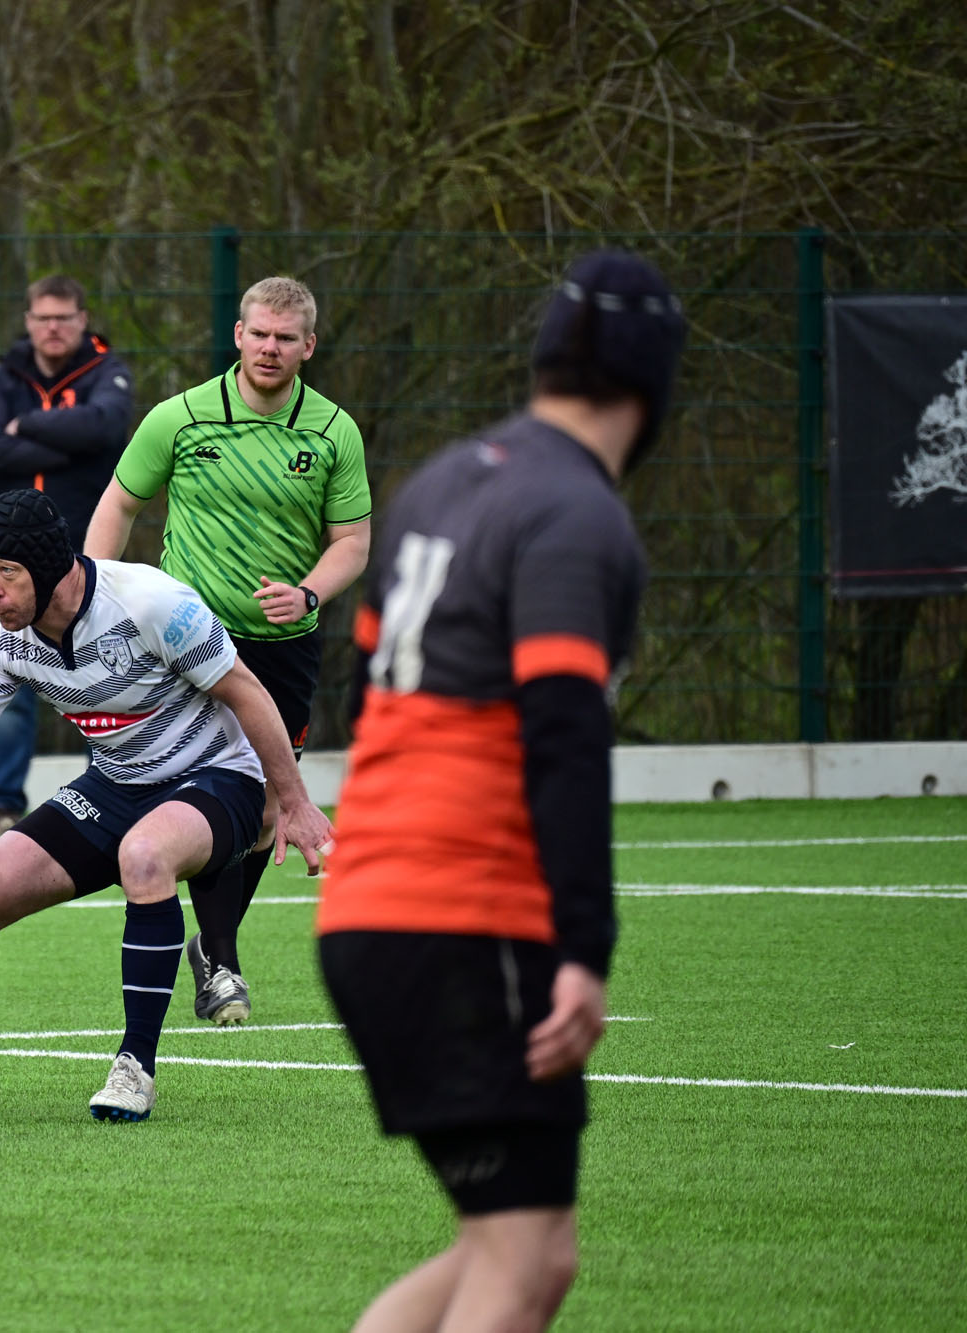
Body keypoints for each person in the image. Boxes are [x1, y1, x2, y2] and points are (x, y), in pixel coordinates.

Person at [319, 250, 685, 1331]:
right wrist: (585, 948)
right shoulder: (576, 513)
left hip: (366, 911)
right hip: (468, 919)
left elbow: (364, 694)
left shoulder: (438, 483)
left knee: (517, 1248)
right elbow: (563, 735)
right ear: (654, 382)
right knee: (522, 1264)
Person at [0, 489, 329, 1122]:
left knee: (144, 855)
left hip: (217, 779)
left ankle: (135, 1069)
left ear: (49, 567)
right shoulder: (8, 642)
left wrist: (293, 801)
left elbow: (249, 692)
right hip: (115, 784)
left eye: (7, 572)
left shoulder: (150, 602)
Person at [85, 275, 367, 1027]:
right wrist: (96, 598)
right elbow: (119, 503)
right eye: (259, 333)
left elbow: (352, 543)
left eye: (286, 338)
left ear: (309, 346)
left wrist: (308, 593)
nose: (270, 348)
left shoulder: (333, 432)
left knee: (270, 808)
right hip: (187, 642)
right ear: (238, 335)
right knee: (215, 788)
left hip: (285, 649)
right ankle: (222, 961)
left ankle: (211, 948)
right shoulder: (180, 418)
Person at [0, 274, 134, 839]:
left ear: (83, 320)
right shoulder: (3, 376)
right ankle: (3, 803)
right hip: (9, 559)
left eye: (64, 317)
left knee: (104, 672)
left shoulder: (107, 371)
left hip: (87, 553)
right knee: (9, 679)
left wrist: (30, 427)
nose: (53, 327)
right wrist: (69, 446)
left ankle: (111, 788)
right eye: (43, 317)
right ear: (29, 321)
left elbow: (107, 427)